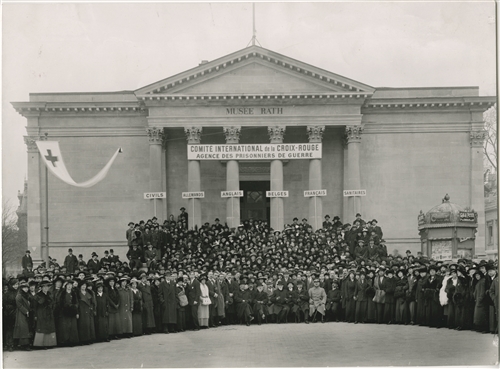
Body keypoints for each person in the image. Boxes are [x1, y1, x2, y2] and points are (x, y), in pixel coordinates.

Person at [33, 280, 57, 349]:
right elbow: (34, 307)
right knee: (42, 328)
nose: (46, 288)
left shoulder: (50, 294)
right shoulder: (37, 296)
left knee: (49, 328)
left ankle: (49, 343)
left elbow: (53, 303)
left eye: (47, 286)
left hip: (49, 313)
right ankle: (41, 344)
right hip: (41, 313)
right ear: (41, 288)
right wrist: (35, 315)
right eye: (44, 287)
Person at [58, 280, 80, 347]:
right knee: (65, 327)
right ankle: (65, 341)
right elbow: (60, 302)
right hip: (65, 312)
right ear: (65, 286)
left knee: (72, 327)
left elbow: (76, 302)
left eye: (71, 285)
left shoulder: (74, 293)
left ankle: (72, 341)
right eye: (68, 285)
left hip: (72, 311)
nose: (69, 286)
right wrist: (66, 306)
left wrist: (76, 311)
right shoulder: (62, 293)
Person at [14, 281, 32, 351]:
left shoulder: (26, 295)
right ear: (21, 288)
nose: (26, 289)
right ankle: (24, 345)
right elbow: (19, 305)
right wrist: (26, 311)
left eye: (27, 288)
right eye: (24, 288)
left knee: (25, 329)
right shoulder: (19, 295)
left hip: (26, 313)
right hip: (21, 313)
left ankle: (25, 344)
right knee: (24, 329)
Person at [77, 280, 95, 345]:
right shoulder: (78, 294)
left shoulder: (88, 293)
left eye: (85, 285)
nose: (84, 287)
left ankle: (89, 339)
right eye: (82, 285)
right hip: (82, 310)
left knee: (89, 325)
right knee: (82, 325)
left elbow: (92, 302)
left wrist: (92, 308)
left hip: (89, 310)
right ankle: (83, 340)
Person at [3, 278, 18, 351]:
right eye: (14, 285)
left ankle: (13, 344)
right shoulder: (7, 294)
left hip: (15, 312)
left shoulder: (17, 292)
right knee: (9, 329)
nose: (16, 286)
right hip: (9, 313)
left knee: (13, 329)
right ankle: (9, 344)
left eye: (17, 284)